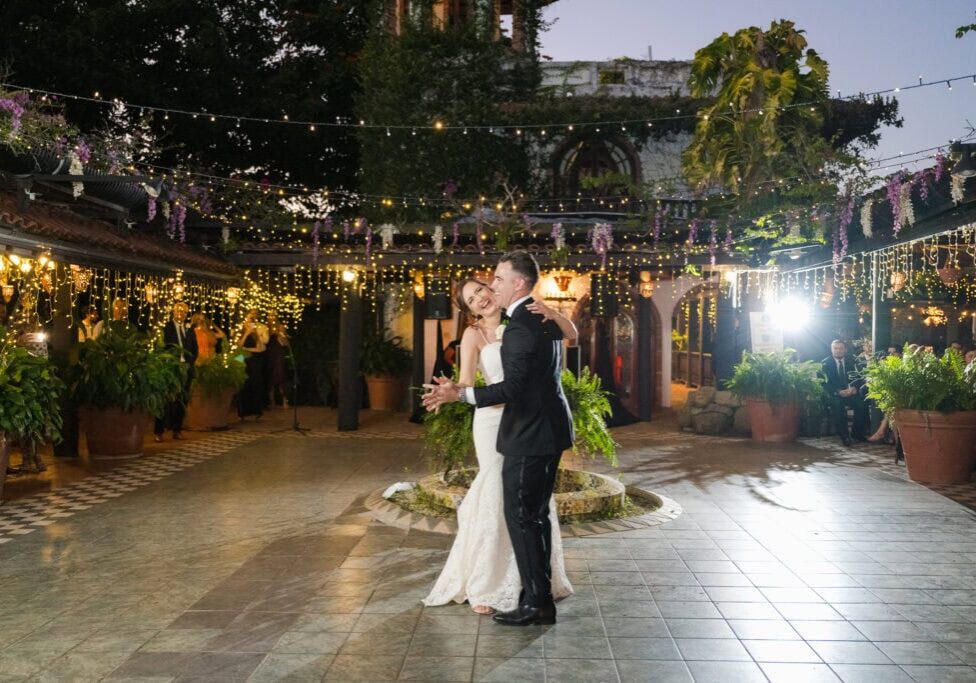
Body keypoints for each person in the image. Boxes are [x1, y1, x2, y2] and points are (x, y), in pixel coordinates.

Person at [423, 251, 576, 626]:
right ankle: (533, 592)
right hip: (536, 426)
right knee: (531, 514)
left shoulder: (526, 321)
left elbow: (515, 388)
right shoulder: (531, 317)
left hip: (527, 428)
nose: (490, 287)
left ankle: (536, 601)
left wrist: (461, 396)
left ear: (518, 284)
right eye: (480, 290)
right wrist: (457, 389)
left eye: (495, 280)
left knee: (524, 515)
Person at [155, 302, 198, 442]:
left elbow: (194, 350)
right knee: (165, 400)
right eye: (178, 310)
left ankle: (177, 430)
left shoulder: (190, 330)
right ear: (173, 312)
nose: (181, 313)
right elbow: (161, 347)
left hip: (185, 369)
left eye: (184, 311)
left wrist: (188, 364)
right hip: (170, 368)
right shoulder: (166, 328)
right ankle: (159, 431)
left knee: (182, 400)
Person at [820, 339, 868, 447]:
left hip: (850, 393)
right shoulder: (825, 364)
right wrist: (838, 392)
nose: (838, 351)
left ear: (845, 350)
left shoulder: (852, 361)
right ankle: (844, 436)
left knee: (861, 404)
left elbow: (860, 377)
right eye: (835, 348)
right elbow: (824, 383)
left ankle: (857, 434)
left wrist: (854, 388)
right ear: (831, 349)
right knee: (838, 405)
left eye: (841, 348)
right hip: (834, 394)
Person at [236, 309, 268, 419]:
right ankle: (243, 411)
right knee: (243, 384)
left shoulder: (256, 333)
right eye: (248, 319)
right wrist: (246, 333)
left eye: (252, 320)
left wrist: (255, 335)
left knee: (255, 383)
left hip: (254, 359)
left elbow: (260, 348)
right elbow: (238, 346)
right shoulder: (240, 331)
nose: (249, 322)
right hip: (242, 358)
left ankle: (256, 410)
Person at [265, 312, 290, 408]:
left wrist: (281, 335)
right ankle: (272, 402)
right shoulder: (265, 328)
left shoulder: (281, 327)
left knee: (280, 376)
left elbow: (286, 344)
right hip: (269, 354)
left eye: (273, 315)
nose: (271, 317)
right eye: (269, 315)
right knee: (270, 378)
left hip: (278, 354)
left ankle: (284, 400)